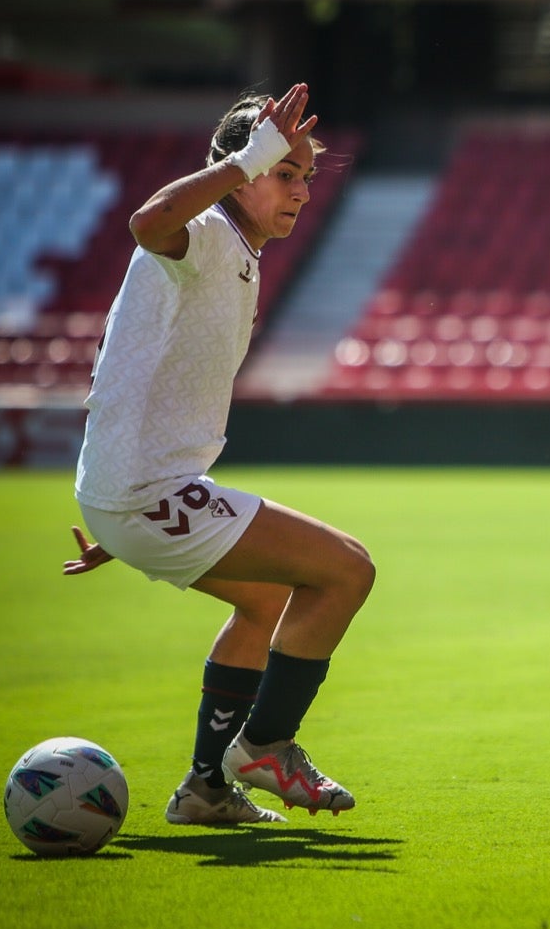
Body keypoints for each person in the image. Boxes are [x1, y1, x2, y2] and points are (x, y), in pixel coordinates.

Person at [64, 83, 371, 825]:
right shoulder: (204, 232)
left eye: (304, 176)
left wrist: (121, 522)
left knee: (264, 599)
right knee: (346, 571)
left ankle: (205, 790)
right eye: (283, 172)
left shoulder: (238, 251)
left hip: (138, 493)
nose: (300, 191)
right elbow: (146, 221)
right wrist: (129, 509)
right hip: (144, 492)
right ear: (242, 165)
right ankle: (265, 745)